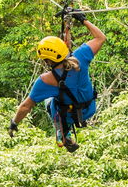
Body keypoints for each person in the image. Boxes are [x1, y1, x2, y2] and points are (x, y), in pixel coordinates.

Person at [8, 15, 105, 150]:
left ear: (48, 61)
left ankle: (63, 132)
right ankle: (65, 131)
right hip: (89, 109)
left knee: (49, 100)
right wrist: (83, 20)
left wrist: (14, 123)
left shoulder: (45, 81)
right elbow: (100, 38)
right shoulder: (81, 57)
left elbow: (26, 106)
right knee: (60, 94)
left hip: (70, 116)